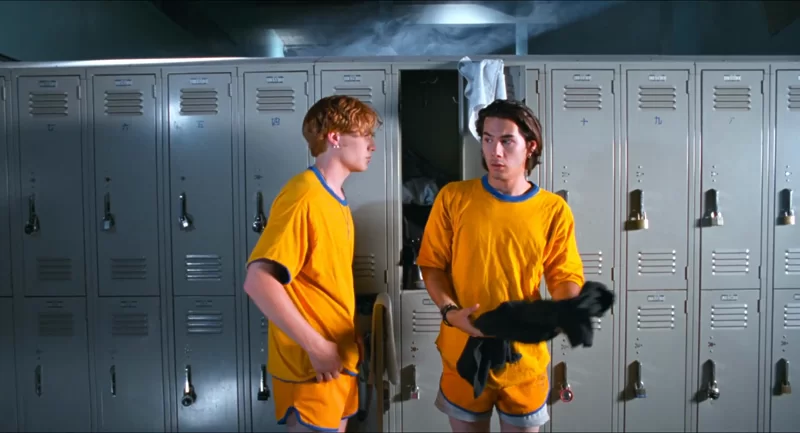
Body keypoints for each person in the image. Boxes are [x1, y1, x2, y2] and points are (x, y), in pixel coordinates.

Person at [417, 99, 585, 433]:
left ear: (530, 146)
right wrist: (451, 312)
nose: (494, 151)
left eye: (507, 140)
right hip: (463, 352)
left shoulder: (553, 210)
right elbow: (432, 265)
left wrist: (566, 308)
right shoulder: (454, 198)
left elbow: (563, 274)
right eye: (487, 139)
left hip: (524, 358)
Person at [243, 94, 380, 433]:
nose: (372, 146)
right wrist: (316, 346)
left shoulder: (335, 198)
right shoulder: (304, 195)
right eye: (364, 135)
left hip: (336, 359)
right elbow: (258, 281)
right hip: (311, 365)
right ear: (335, 137)